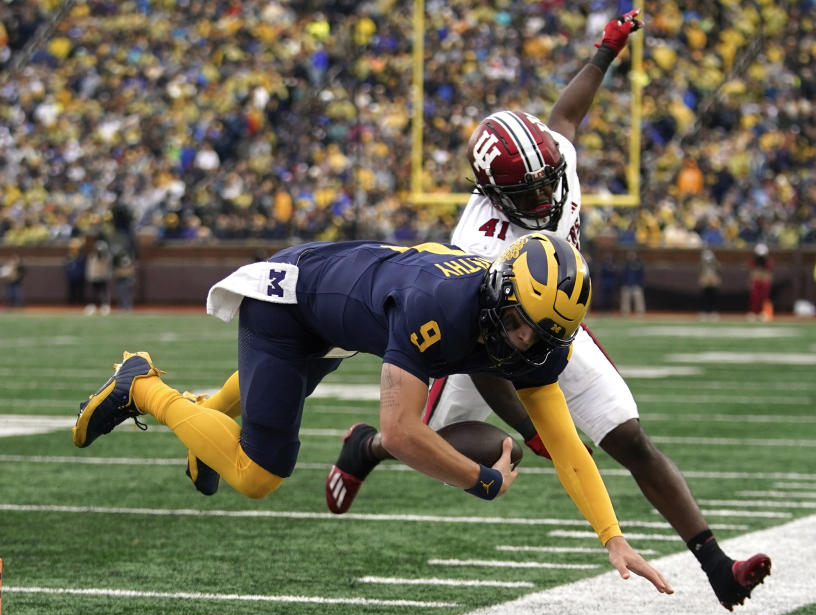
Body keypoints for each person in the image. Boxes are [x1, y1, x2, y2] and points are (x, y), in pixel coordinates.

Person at [325, 9, 769, 611]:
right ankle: (368, 446)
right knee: (457, 446)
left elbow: (565, 116)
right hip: (486, 336)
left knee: (630, 438)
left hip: (556, 325)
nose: (543, 197)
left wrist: (604, 52)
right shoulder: (480, 244)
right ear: (493, 193)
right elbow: (485, 353)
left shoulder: (555, 155)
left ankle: (717, 565)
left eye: (546, 182)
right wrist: (534, 430)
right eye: (525, 194)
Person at [72, 232, 673, 593]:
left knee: (270, 398)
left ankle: (203, 430)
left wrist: (612, 538)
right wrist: (479, 480)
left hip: (340, 313)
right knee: (259, 473)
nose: (522, 343)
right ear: (499, 294)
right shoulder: (438, 308)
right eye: (517, 323)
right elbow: (399, 433)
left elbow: (565, 442)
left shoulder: (533, 334)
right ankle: (141, 387)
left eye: (538, 335)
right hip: (292, 305)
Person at [747, 243, 773, 321]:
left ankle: (763, 312)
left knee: (764, 298)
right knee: (754, 298)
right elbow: (752, 273)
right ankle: (754, 313)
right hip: (756, 281)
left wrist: (763, 277)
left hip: (764, 282)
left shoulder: (768, 261)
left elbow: (768, 273)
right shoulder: (754, 260)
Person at [619, 250, 646, 315]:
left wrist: (639, 283)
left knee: (638, 299)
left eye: (632, 255)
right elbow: (622, 275)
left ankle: (640, 312)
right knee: (625, 300)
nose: (631, 256)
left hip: (636, 285)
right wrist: (623, 283)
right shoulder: (625, 264)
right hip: (626, 285)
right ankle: (625, 312)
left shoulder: (639, 264)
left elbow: (641, 275)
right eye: (630, 255)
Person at [698, 249, 722, 320]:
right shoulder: (702, 264)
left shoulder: (716, 264)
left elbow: (718, 274)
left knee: (713, 297)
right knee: (705, 297)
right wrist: (703, 280)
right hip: (706, 284)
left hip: (713, 284)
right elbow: (701, 274)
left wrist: (716, 280)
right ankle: (705, 311)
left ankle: (713, 311)